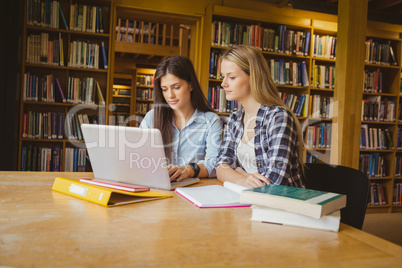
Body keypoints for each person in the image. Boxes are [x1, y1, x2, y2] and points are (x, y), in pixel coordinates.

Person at [216, 45, 305, 188]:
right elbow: (221, 167)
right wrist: (243, 180)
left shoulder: (278, 117)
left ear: (253, 77)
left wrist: (238, 171)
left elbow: (275, 181)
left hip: (283, 204)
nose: (223, 83)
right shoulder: (235, 119)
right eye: (223, 76)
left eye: (231, 77)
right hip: (247, 199)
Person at [140, 55, 222, 182]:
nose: (170, 95)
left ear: (191, 85)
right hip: (157, 187)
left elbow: (215, 164)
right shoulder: (152, 117)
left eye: (176, 87)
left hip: (194, 191)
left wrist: (188, 170)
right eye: (164, 89)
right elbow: (138, 157)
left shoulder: (211, 121)